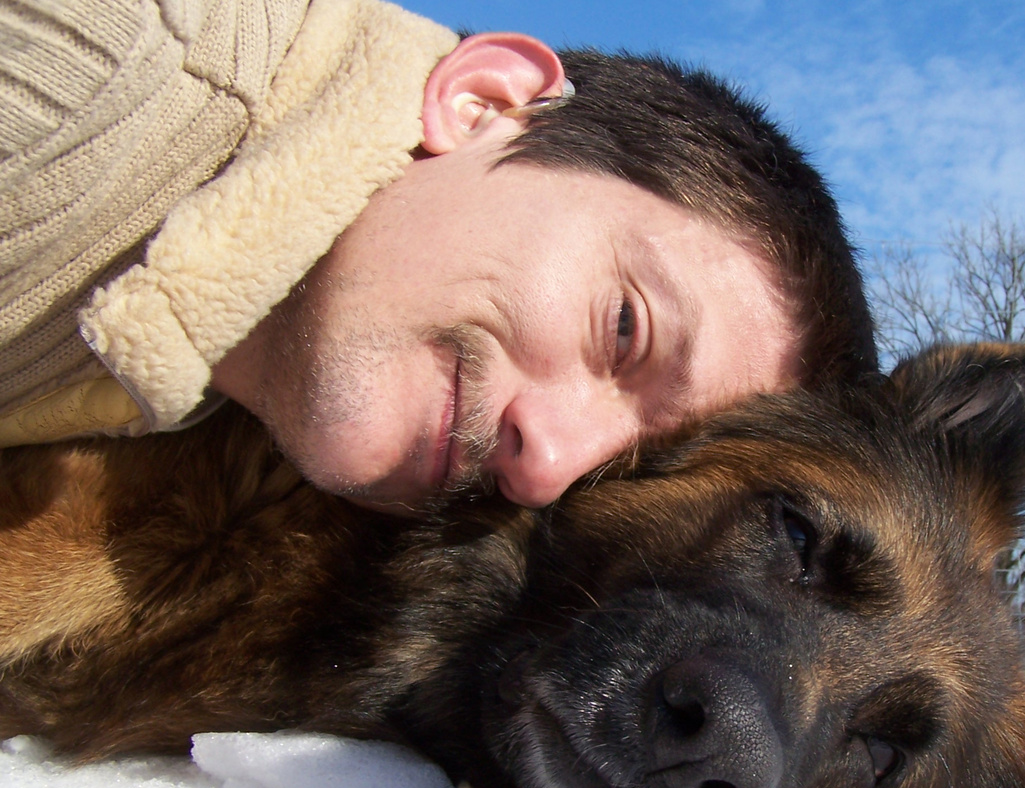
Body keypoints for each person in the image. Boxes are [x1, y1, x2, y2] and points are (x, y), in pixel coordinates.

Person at [0, 0, 875, 512]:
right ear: (482, 102)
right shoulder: (96, 77)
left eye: (611, 473)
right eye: (622, 328)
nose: (547, 470)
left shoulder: (175, 377)